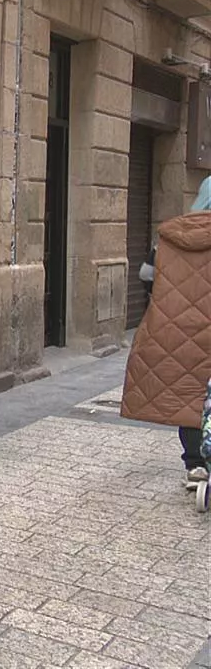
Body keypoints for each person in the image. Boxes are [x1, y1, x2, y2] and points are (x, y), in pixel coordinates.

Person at [121, 178, 211, 490]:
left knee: (187, 396)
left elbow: (146, 274)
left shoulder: (170, 237)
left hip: (177, 334)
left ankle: (195, 464)